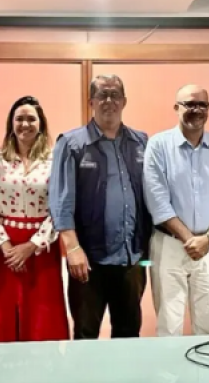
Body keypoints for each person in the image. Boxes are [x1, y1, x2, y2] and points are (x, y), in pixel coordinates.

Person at [49, 74, 152, 339]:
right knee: (86, 334)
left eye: (115, 95)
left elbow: (153, 196)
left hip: (131, 258)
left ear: (124, 101)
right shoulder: (71, 144)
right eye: (102, 95)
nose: (109, 101)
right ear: (91, 101)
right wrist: (72, 248)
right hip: (88, 260)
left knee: (129, 334)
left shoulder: (141, 142)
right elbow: (61, 201)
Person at [0, 96, 69, 342]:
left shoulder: (55, 159)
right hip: (3, 249)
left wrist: (31, 246)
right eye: (19, 118)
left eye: (31, 119)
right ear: (11, 123)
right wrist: (6, 247)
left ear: (41, 123)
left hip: (41, 249)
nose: (25, 124)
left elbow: (60, 206)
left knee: (41, 316)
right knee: (1, 315)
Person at [144, 84, 209, 336]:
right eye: (189, 104)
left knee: (206, 325)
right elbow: (157, 200)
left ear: (208, 109)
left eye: (201, 105)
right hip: (170, 245)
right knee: (168, 325)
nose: (196, 110)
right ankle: (171, 376)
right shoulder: (158, 145)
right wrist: (189, 239)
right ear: (176, 108)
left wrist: (208, 238)